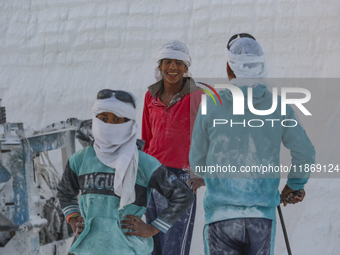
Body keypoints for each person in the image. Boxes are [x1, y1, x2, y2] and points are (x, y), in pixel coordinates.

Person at [189, 34, 315, 255]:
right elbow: (305, 152)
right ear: (260, 68)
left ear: (229, 69)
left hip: (220, 217)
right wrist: (294, 185)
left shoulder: (210, 105)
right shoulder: (278, 106)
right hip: (261, 218)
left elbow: (197, 163)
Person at [57, 89, 194, 255]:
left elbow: (183, 195)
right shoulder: (80, 159)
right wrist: (73, 219)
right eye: (103, 118)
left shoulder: (143, 163)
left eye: (117, 119)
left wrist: (152, 228)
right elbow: (65, 192)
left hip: (129, 250)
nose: (109, 125)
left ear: (129, 123)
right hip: (88, 249)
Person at [142, 40, 205, 255]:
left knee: (174, 246)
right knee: (153, 244)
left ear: (186, 68)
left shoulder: (198, 97)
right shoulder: (150, 96)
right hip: (152, 176)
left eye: (178, 63)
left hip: (181, 179)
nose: (173, 67)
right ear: (159, 66)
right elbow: (146, 137)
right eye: (167, 62)